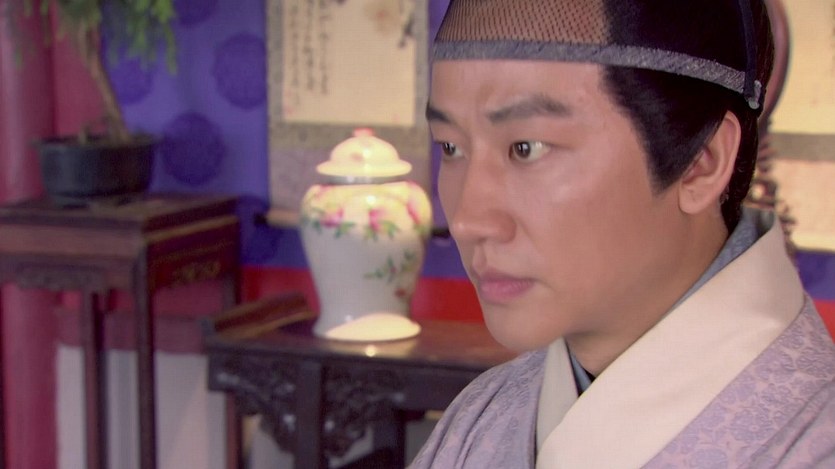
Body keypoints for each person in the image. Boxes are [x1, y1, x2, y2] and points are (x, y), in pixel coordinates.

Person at [410, 0, 835, 467]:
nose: (468, 220)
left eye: (526, 148)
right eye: (451, 147)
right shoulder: (481, 417)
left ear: (701, 163)